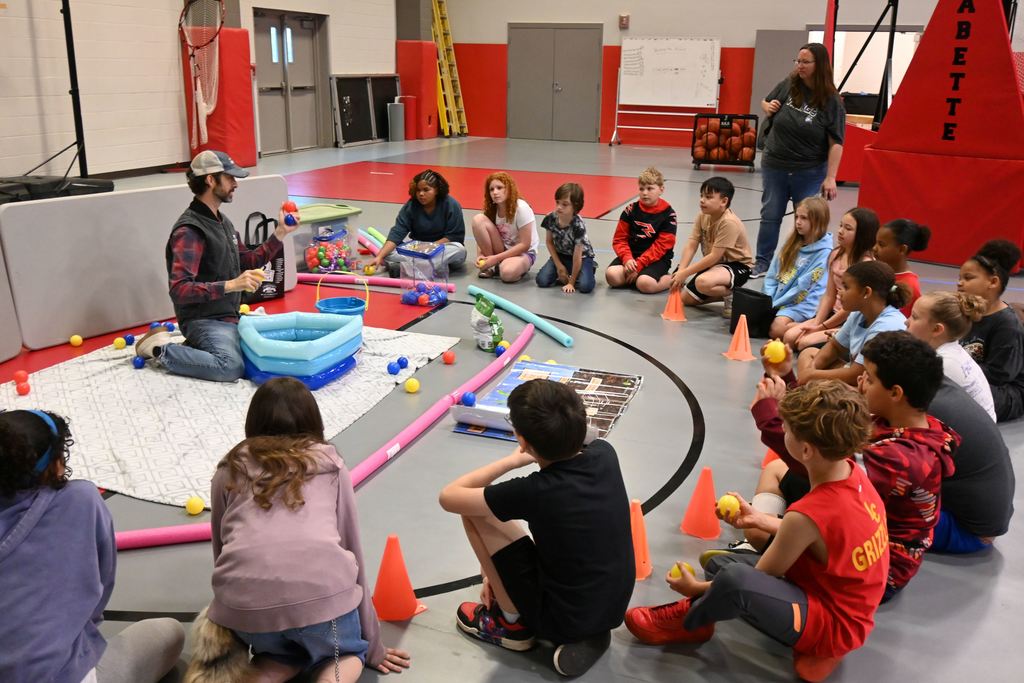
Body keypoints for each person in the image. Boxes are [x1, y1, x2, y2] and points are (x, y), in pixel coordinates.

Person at [625, 381, 887, 683]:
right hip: (844, 602)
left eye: (787, 429)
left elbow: (759, 577)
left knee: (734, 579)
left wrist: (694, 588)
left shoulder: (807, 514)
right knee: (721, 565)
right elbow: (821, 535)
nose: (783, 432)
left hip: (833, 627)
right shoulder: (854, 475)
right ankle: (714, 601)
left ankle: (693, 621)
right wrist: (761, 519)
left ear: (805, 449)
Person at [193, 378, 411, 682]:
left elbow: (221, 548)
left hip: (249, 614)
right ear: (313, 421)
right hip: (323, 607)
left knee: (278, 654)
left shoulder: (228, 469)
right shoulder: (331, 465)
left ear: (253, 422)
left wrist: (234, 605)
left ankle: (272, 665)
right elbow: (351, 549)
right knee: (345, 655)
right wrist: (373, 646)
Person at [438, 379, 634, 678]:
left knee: (474, 511)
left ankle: (509, 624)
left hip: (562, 618)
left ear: (522, 440)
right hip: (611, 606)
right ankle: (585, 627)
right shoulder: (605, 454)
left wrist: (511, 462)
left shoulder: (536, 490)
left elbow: (450, 497)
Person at [748, 332, 957, 601]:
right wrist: (786, 377)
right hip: (857, 521)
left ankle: (769, 556)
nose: (860, 382)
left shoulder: (903, 459)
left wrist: (768, 413)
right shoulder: (901, 421)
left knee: (756, 530)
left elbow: (818, 453)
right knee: (776, 469)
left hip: (873, 569)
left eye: (869, 378)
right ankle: (777, 544)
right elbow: (820, 428)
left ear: (895, 393)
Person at [0, 409, 184, 683]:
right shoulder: (80, 500)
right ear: (56, 464)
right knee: (170, 632)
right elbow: (99, 589)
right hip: (60, 675)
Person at [135, 150, 299, 381]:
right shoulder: (190, 231)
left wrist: (280, 232)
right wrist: (231, 285)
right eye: (230, 178)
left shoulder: (223, 222)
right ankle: (158, 348)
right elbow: (180, 290)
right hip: (202, 321)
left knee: (269, 350)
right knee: (230, 366)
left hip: (229, 317)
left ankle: (196, 349)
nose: (236, 184)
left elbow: (248, 261)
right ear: (211, 180)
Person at [752, 43, 845, 278]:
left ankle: (804, 263)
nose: (800, 66)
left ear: (819, 65)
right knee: (770, 214)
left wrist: (831, 177)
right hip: (775, 164)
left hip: (808, 170)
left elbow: (836, 142)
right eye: (798, 61)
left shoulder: (831, 100)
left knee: (806, 219)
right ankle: (762, 262)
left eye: (805, 62)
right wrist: (768, 106)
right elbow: (765, 101)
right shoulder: (790, 84)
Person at [795, 261, 909, 387]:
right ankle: (810, 390)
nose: (839, 292)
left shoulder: (886, 326)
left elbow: (857, 374)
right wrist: (812, 369)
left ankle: (810, 391)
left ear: (866, 292)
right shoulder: (858, 313)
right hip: (856, 375)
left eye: (846, 287)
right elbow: (835, 346)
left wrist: (812, 375)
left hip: (871, 386)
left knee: (834, 385)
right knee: (808, 353)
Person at [784, 207, 878, 351]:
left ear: (863, 234)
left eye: (848, 228)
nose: (840, 231)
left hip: (848, 321)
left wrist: (821, 327)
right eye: (841, 225)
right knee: (789, 337)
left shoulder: (866, 265)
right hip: (831, 314)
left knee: (803, 343)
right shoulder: (836, 254)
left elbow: (849, 310)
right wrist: (817, 323)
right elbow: (829, 295)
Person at [958, 239, 1024, 422]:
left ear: (993, 282)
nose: (960, 283)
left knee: (948, 392)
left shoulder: (1007, 324)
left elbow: (1000, 374)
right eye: (959, 278)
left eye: (967, 278)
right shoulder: (965, 311)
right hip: (973, 378)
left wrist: (958, 371)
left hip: (1005, 392)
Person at [668, 176, 753, 318]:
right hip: (716, 266)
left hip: (737, 266)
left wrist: (685, 273)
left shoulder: (729, 222)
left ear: (724, 201)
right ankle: (734, 295)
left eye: (708, 197)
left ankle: (731, 295)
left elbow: (714, 256)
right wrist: (681, 269)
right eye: (701, 196)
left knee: (703, 283)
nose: (702, 200)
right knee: (685, 299)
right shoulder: (703, 216)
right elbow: (691, 244)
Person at [906, 291, 996, 420]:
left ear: (937, 329)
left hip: (968, 430)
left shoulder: (944, 363)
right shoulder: (951, 352)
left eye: (914, 317)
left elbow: (912, 409)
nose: (906, 321)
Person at [369, 168, 467, 277]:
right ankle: (425, 267)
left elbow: (454, 236)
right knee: (388, 252)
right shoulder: (411, 206)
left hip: (440, 248)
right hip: (418, 249)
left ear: (436, 190)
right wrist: (379, 256)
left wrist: (429, 247)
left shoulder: (451, 205)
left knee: (459, 250)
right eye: (418, 190)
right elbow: (397, 233)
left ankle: (408, 267)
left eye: (426, 190)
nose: (421, 194)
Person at [764, 196, 834, 339]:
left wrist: (777, 306)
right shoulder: (791, 244)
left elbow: (812, 292)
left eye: (804, 218)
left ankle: (817, 327)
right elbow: (772, 275)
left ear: (818, 221)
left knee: (776, 329)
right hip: (778, 301)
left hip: (799, 305)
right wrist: (768, 299)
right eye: (797, 217)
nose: (798, 222)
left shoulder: (824, 254)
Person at [606, 166, 678, 294]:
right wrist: (627, 259)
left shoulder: (668, 214)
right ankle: (638, 277)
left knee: (645, 284)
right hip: (632, 256)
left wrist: (639, 266)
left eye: (650, 188)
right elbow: (619, 239)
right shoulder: (630, 210)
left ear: (661, 189)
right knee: (612, 276)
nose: (645, 193)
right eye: (641, 189)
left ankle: (674, 278)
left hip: (657, 259)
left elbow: (661, 246)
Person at [471, 172, 538, 282]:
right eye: (491, 189)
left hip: (522, 252)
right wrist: (481, 255)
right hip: (503, 248)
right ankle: (492, 266)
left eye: (499, 188)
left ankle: (504, 265)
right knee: (478, 219)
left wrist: (495, 258)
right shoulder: (493, 208)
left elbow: (525, 245)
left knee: (507, 274)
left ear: (509, 189)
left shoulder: (522, 208)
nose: (495, 192)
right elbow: (481, 235)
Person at [536, 182, 597, 294]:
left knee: (585, 286)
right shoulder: (550, 218)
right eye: (557, 202)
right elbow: (549, 242)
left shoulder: (579, 225)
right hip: (561, 255)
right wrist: (559, 266)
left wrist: (571, 283)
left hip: (582, 257)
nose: (559, 207)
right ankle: (567, 271)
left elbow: (577, 256)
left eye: (565, 204)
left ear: (575, 206)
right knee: (542, 280)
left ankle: (588, 268)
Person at [872, 218, 930, 317]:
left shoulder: (909, 286)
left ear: (902, 249)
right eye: (875, 243)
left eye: (881, 245)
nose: (874, 248)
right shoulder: (876, 270)